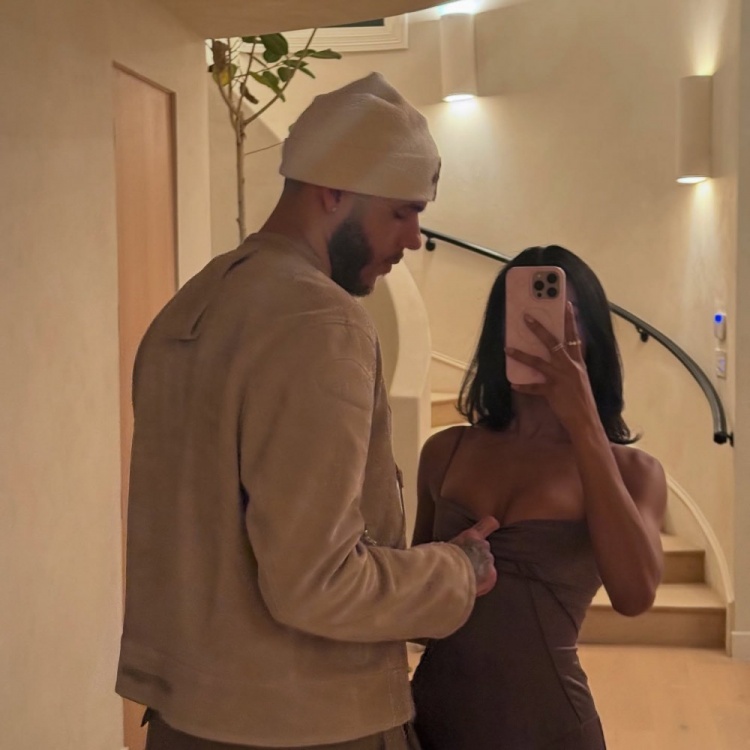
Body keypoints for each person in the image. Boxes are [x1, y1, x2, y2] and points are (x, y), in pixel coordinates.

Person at [115, 72, 500, 750]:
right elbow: (318, 582)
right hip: (305, 723)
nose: (415, 238)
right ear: (332, 191)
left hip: (187, 719)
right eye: (401, 213)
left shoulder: (193, 302)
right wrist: (456, 571)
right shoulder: (319, 319)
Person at [410, 245, 667, 750]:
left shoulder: (634, 473)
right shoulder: (445, 451)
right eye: (519, 318)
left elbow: (634, 596)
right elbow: (415, 617)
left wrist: (585, 423)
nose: (537, 333)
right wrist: (445, 569)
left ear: (592, 337)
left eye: (559, 319)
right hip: (432, 725)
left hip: (552, 729)